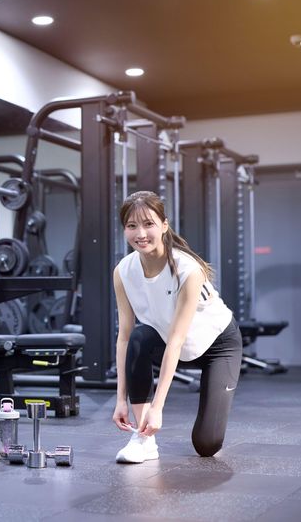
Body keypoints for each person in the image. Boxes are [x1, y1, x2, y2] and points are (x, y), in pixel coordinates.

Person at [111, 191, 243, 463]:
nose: (141, 233)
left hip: (218, 346)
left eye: (148, 224)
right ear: (124, 230)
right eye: (132, 226)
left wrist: (158, 407)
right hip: (168, 341)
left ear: (164, 225)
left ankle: (184, 426)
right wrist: (120, 399)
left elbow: (177, 340)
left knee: (206, 445)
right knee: (139, 337)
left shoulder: (187, 269)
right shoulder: (123, 271)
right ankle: (143, 439)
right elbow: (124, 337)